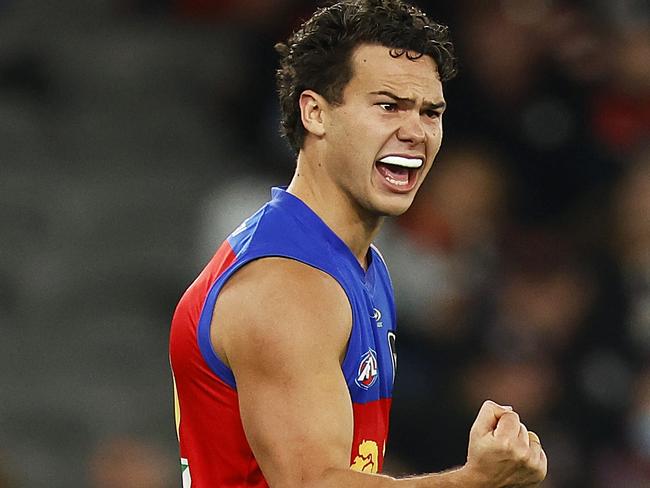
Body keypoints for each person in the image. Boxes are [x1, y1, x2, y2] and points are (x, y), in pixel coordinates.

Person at [169, 1, 548, 486]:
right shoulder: (285, 285)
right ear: (315, 114)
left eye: (430, 112)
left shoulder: (357, 265)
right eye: (388, 105)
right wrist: (474, 481)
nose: (415, 132)